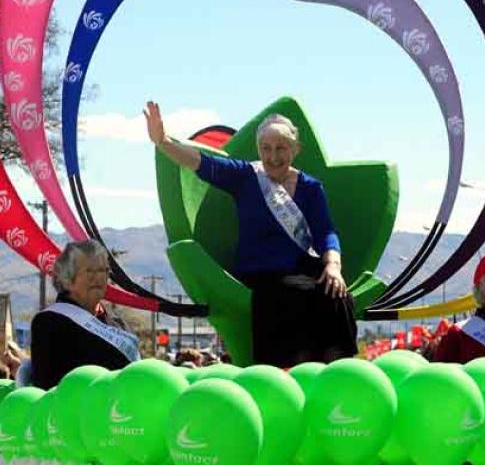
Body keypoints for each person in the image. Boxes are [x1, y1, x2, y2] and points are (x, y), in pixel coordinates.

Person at [145, 102, 357, 366]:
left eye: (281, 148)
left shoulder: (310, 188)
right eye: (266, 148)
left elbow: (326, 231)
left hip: (302, 269)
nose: (273, 156)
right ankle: (284, 370)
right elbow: (201, 163)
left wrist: (333, 266)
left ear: (295, 149)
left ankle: (340, 367)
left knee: (337, 294)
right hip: (262, 273)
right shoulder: (246, 176)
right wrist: (163, 141)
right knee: (295, 293)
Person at [29, 240, 141, 389]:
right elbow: (48, 385)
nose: (98, 277)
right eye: (89, 271)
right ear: (67, 280)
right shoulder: (50, 322)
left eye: (103, 270)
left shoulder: (119, 325)